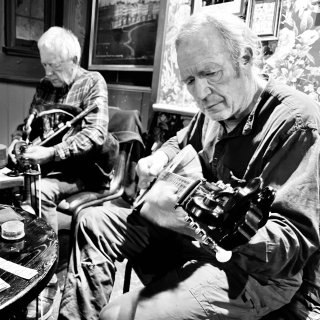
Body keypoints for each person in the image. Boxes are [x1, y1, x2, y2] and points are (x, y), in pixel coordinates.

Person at [59, 8, 320, 320]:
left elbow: (290, 246)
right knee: (93, 221)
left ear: (246, 59)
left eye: (210, 74)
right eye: (190, 80)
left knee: (119, 314)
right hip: (191, 236)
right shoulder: (214, 109)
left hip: (252, 274)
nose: (200, 93)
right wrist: (159, 158)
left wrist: (231, 230)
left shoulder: (298, 124)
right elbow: (182, 141)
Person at [8, 26, 118, 320]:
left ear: (73, 58)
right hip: (53, 168)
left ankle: (47, 271)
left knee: (38, 190)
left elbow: (95, 134)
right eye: (44, 63)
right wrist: (19, 143)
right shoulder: (46, 85)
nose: (47, 71)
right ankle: (19, 265)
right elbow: (28, 126)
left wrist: (52, 153)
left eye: (53, 65)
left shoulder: (93, 82)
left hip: (86, 172)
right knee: (15, 186)